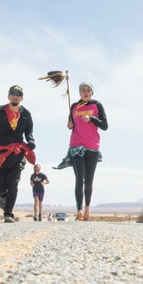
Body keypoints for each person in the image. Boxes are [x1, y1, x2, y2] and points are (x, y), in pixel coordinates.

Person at [55, 82, 108, 221]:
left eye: (88, 90)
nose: (85, 92)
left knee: (89, 180)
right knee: (80, 178)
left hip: (92, 146)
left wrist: (91, 118)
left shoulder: (97, 105)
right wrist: (69, 125)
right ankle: (79, 210)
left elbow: (105, 125)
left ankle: (87, 210)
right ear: (79, 92)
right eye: (83, 90)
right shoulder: (74, 107)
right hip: (76, 146)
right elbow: (70, 124)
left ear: (92, 93)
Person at [0, 85, 36, 223]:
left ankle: (9, 213)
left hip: (18, 152)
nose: (15, 96)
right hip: (2, 153)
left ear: (22, 98)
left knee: (13, 182)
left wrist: (31, 141)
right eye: (12, 93)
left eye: (18, 94)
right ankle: (2, 195)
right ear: (8, 96)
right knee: (1, 185)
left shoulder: (26, 114)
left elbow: (29, 131)